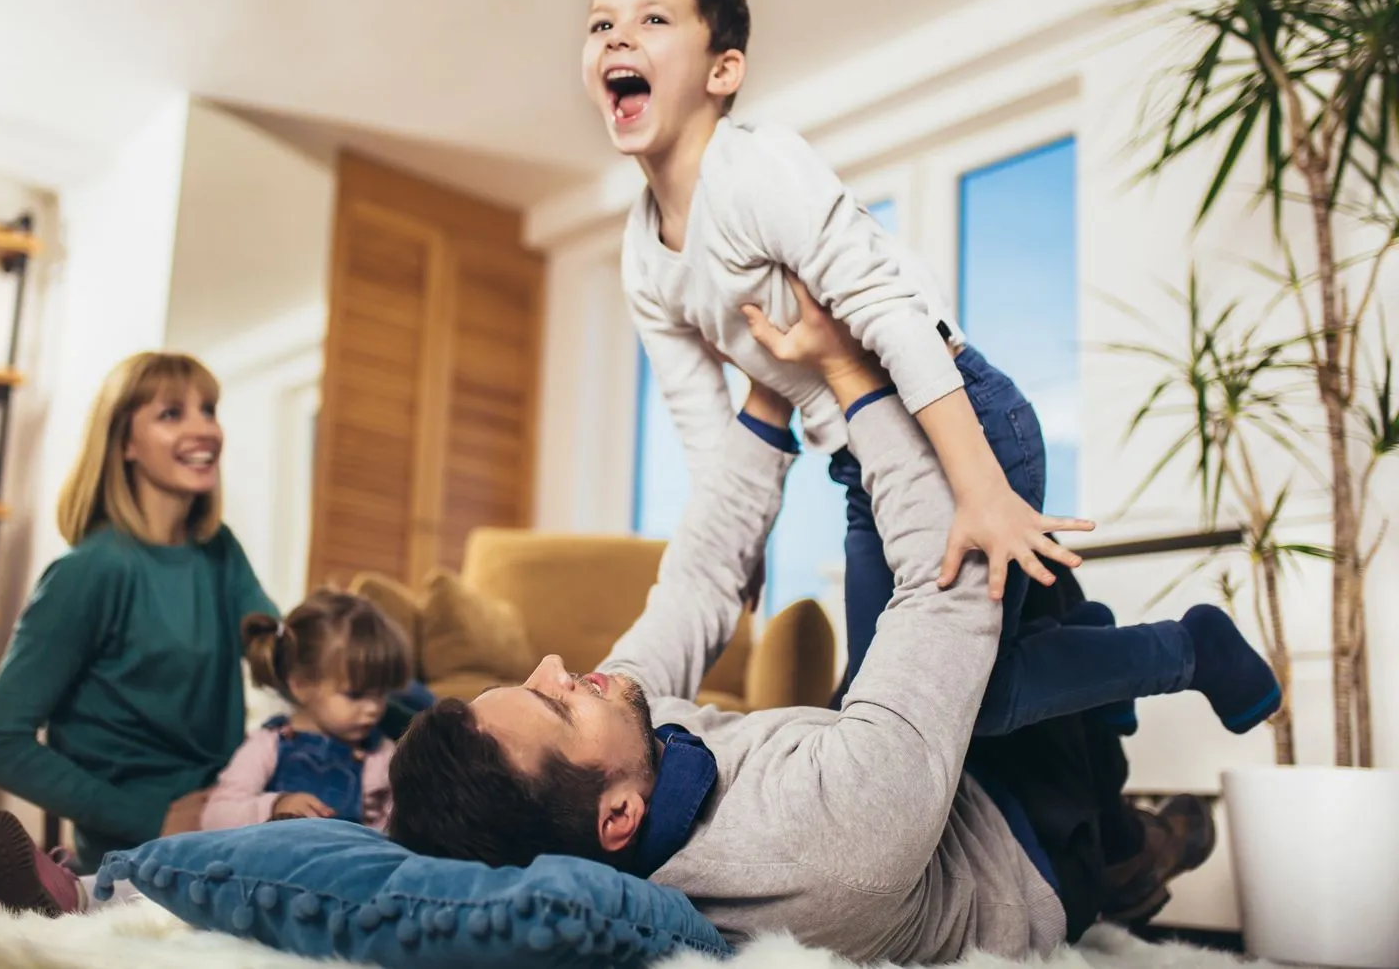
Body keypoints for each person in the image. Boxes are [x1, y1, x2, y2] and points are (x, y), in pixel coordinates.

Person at [385, 281, 1279, 963]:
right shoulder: (820, 845)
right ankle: (1153, 681)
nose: (553, 664)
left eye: (533, 682)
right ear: (618, 815)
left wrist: (771, 395)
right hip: (1026, 829)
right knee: (987, 601)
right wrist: (850, 374)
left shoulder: (620, 746)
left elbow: (696, 585)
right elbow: (947, 593)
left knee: (869, 496)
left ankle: (1094, 698)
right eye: (552, 704)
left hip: (879, 746)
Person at [593, 0, 1103, 723]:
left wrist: (981, 490)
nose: (618, 37)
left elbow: (895, 315)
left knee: (922, 705)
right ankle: (1074, 634)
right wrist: (744, 549)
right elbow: (702, 418)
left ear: (723, 70)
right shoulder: (641, 258)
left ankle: (1181, 649)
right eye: (601, 25)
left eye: (652, 19)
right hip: (862, 464)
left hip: (961, 421)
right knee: (898, 703)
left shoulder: (759, 171)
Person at [0, 351, 277, 914]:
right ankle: (82, 889)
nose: (204, 428)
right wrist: (149, 816)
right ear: (124, 443)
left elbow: (282, 649)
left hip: (235, 812)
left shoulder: (219, 552)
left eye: (208, 409)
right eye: (171, 414)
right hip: (148, 836)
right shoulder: (90, 571)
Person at [199, 590, 412, 833]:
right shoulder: (269, 744)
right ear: (300, 685)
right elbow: (215, 816)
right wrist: (276, 805)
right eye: (355, 695)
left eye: (382, 693)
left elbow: (397, 830)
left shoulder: (380, 754)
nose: (374, 708)